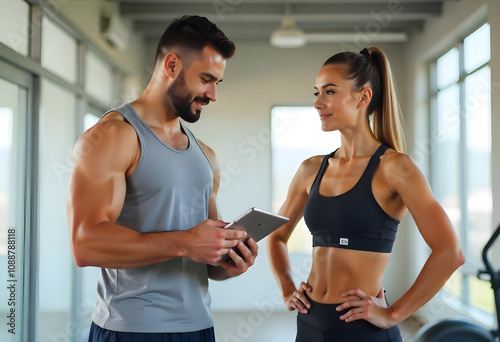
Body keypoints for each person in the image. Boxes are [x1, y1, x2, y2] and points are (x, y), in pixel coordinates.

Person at [66, 15, 258, 342]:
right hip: (132, 329)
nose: (213, 94)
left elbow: (204, 259)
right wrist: (184, 242)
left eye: (217, 83)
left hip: (198, 327)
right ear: (171, 65)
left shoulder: (206, 156)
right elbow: (84, 244)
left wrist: (229, 262)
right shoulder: (112, 137)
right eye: (206, 79)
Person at [267, 47, 465, 342]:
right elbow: (277, 235)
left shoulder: (395, 169)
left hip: (361, 329)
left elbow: (450, 252)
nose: (318, 103)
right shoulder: (311, 169)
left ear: (363, 97)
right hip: (309, 323)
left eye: (329, 92)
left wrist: (392, 314)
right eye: (316, 93)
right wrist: (286, 289)